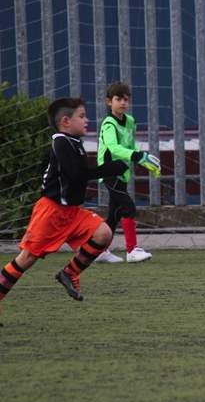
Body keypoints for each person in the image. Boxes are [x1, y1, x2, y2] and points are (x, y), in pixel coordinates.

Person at [0, 97, 128, 306]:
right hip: (51, 213)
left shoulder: (72, 142)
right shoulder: (61, 142)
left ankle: (69, 273)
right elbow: (77, 175)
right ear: (66, 121)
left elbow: (55, 168)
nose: (86, 120)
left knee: (103, 233)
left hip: (71, 212)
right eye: (82, 116)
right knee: (26, 260)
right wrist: (110, 169)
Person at [94, 82, 161, 264]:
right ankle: (132, 250)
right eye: (118, 99)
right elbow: (114, 148)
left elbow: (131, 146)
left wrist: (143, 161)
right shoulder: (109, 123)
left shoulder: (130, 121)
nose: (122, 103)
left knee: (114, 215)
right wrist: (137, 155)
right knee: (128, 207)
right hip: (109, 172)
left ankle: (100, 251)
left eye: (125, 99)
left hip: (122, 172)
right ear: (109, 102)